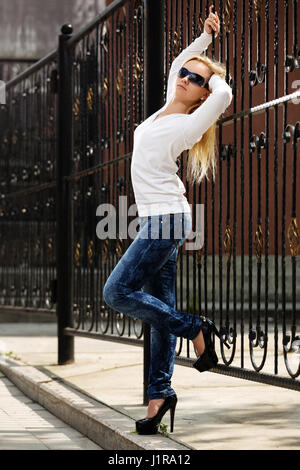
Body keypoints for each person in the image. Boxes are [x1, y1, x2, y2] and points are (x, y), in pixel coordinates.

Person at [103, 5, 232, 435]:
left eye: (197, 80)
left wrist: (212, 75)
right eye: (186, 75)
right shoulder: (165, 107)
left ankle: (195, 328)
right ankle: (160, 394)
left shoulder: (189, 124)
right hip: (159, 222)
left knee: (116, 291)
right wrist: (205, 40)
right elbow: (180, 61)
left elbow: (226, 96)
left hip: (167, 221)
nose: (186, 79)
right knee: (160, 310)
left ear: (201, 93)